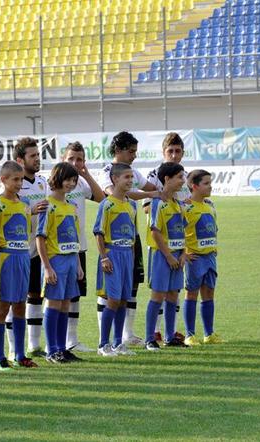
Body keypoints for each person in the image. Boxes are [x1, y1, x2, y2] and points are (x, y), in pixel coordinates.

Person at [98, 131, 158, 347]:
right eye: (131, 151)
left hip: (130, 239)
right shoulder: (108, 172)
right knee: (109, 293)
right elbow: (115, 193)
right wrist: (149, 195)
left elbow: (154, 188)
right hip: (112, 244)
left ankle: (125, 335)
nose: (134, 155)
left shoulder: (133, 173)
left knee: (130, 287)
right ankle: (104, 340)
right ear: (118, 150)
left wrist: (161, 190)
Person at [0, 161, 37, 370]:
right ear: (3, 180)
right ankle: (0, 357)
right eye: (15, 179)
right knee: (3, 306)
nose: (19, 183)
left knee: (20, 305)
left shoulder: (25, 203)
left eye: (21, 180)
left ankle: (20, 354)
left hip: (23, 258)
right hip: (5, 259)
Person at [36, 163, 85, 364]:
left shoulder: (72, 206)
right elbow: (40, 238)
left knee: (66, 304)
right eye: (68, 179)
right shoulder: (47, 205)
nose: (71, 184)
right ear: (57, 179)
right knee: (54, 303)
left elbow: (74, 237)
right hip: (55, 261)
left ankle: (62, 348)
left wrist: (78, 264)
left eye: (74, 180)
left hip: (71, 260)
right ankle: (52, 350)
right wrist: (47, 267)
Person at [144, 132, 190, 343]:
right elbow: (153, 227)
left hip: (177, 252)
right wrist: (169, 255)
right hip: (161, 252)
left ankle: (170, 335)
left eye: (177, 151)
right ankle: (151, 336)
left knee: (173, 294)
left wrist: (183, 253)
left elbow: (184, 227)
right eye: (170, 151)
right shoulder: (157, 194)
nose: (173, 154)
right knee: (158, 294)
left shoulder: (177, 203)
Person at [60, 143, 105, 352]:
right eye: (71, 158)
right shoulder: (53, 183)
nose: (75, 163)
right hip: (58, 249)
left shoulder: (80, 183)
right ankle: (55, 341)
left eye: (79, 159)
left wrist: (86, 175)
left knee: (75, 294)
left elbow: (102, 199)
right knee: (57, 296)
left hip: (79, 246)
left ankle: (72, 340)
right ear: (63, 159)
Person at [93, 163, 139, 357]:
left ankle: (118, 343)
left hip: (127, 255)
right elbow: (98, 232)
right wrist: (104, 257)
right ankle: (103, 344)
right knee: (112, 299)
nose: (130, 180)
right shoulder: (107, 204)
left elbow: (133, 235)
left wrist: (133, 260)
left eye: (131, 177)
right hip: (112, 254)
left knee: (123, 300)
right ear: (115, 179)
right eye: (126, 177)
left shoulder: (132, 205)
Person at [13, 137, 49, 358]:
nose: (37, 159)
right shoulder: (15, 184)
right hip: (17, 251)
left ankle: (34, 346)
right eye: (32, 155)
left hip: (37, 249)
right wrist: (30, 210)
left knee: (36, 295)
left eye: (38, 155)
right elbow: (8, 211)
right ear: (20, 160)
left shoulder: (42, 182)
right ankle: (12, 350)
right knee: (14, 299)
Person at [182, 170, 224, 346]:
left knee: (209, 293)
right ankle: (190, 335)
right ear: (194, 186)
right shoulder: (186, 208)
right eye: (206, 183)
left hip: (210, 257)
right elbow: (176, 231)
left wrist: (213, 248)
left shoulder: (210, 206)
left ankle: (209, 334)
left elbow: (214, 229)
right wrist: (183, 252)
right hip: (195, 257)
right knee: (191, 293)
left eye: (210, 183)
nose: (210, 186)